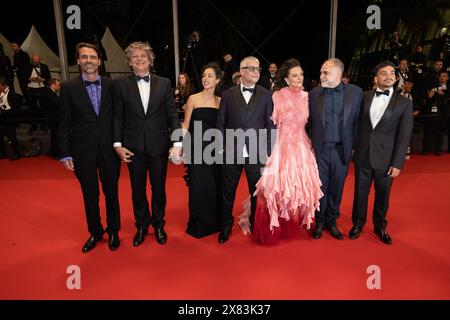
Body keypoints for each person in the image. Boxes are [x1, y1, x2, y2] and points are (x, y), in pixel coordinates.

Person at [246, 58, 323, 245]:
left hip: (302, 146)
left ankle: (291, 222)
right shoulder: (277, 96)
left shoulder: (308, 97)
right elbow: (268, 124)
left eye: (301, 74)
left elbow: (313, 123)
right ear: (287, 79)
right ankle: (272, 226)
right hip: (280, 145)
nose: (299, 78)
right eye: (295, 75)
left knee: (298, 186)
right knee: (275, 187)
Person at [113, 41, 182, 247]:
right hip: (133, 146)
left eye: (143, 56)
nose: (140, 59)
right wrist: (117, 144)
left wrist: (177, 141)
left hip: (159, 145)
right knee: (137, 189)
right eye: (135, 57)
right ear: (129, 62)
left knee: (159, 188)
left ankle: (159, 224)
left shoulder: (164, 83)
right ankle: (142, 225)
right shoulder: (120, 84)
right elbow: (118, 117)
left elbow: (172, 114)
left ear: (150, 60)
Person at [58, 43, 121, 253]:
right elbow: (64, 121)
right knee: (90, 194)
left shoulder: (112, 85)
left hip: (109, 150)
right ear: (78, 61)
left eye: (92, 57)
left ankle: (114, 231)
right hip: (81, 151)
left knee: (111, 192)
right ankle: (95, 232)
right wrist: (65, 152)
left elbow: (118, 118)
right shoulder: (68, 87)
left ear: (99, 61)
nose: (88, 61)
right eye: (84, 57)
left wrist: (120, 144)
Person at [350, 61, 413, 244]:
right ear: (376, 78)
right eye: (383, 73)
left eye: (392, 73)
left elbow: (404, 136)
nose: (388, 76)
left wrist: (397, 163)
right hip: (363, 154)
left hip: (386, 159)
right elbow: (357, 125)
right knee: (360, 193)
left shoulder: (404, 103)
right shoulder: (364, 96)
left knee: (383, 195)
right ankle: (358, 224)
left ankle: (380, 226)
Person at [216, 56, 275, 244]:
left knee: (256, 193)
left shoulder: (267, 95)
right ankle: (225, 225)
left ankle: (255, 224)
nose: (256, 72)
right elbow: (221, 123)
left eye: (258, 68)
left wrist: (268, 151)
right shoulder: (228, 94)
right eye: (251, 68)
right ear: (241, 71)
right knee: (227, 191)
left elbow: (270, 125)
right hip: (231, 152)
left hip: (257, 153)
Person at [308, 58, 363, 240]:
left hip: (342, 150)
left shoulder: (356, 93)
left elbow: (358, 123)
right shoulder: (314, 94)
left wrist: (354, 146)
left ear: (339, 74)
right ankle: (319, 221)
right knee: (320, 187)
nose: (321, 75)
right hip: (320, 150)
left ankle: (332, 221)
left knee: (337, 188)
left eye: (326, 72)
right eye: (321, 72)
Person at [182, 62, 222, 238]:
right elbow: (185, 125)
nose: (206, 78)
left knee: (214, 186)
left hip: (215, 151)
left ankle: (215, 222)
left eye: (210, 75)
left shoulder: (221, 102)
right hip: (196, 149)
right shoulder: (193, 99)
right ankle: (199, 223)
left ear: (217, 80)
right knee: (198, 186)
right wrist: (179, 146)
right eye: (204, 75)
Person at [25, 54, 51, 135]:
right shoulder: (27, 66)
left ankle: (44, 125)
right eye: (34, 61)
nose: (36, 63)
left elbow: (49, 79)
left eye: (37, 61)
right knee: (33, 108)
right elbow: (23, 77)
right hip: (31, 89)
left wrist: (42, 79)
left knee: (44, 107)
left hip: (42, 89)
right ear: (31, 60)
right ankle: (33, 126)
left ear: (39, 60)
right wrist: (30, 78)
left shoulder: (45, 67)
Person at [0, 77, 21, 160]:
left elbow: (16, 109)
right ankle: (2, 153)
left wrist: (4, 112)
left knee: (12, 137)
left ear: (4, 85)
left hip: (10, 119)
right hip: (1, 119)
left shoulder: (12, 94)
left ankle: (17, 153)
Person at [40, 78, 62, 158]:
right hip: (52, 118)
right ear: (53, 85)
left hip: (53, 117)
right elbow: (57, 103)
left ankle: (53, 151)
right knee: (55, 135)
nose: (59, 87)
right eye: (58, 85)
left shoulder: (49, 92)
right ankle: (55, 152)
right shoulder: (48, 92)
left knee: (54, 135)